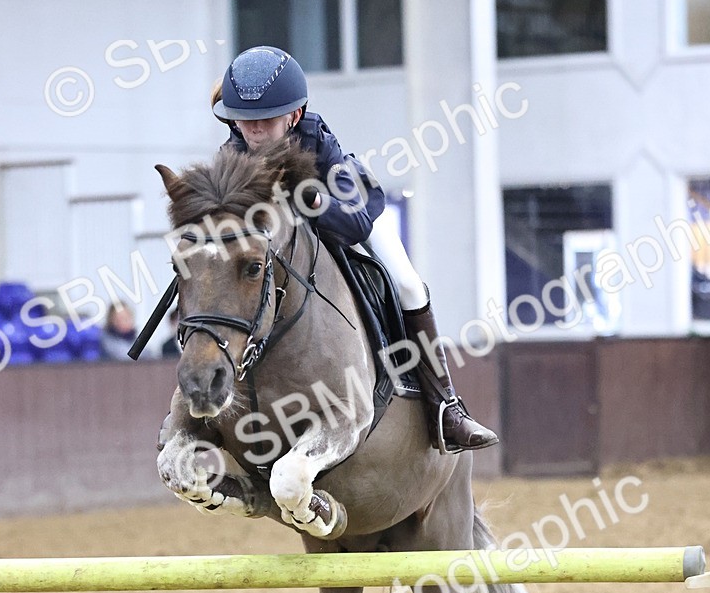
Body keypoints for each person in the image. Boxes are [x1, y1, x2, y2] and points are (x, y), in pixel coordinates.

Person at [211, 45, 498, 454]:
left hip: (350, 217)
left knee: (408, 285)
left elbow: (354, 224)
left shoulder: (317, 142)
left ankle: (445, 407)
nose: (253, 131)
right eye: (245, 121)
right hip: (282, 253)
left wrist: (307, 199)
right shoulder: (231, 154)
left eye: (266, 120)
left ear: (293, 116)